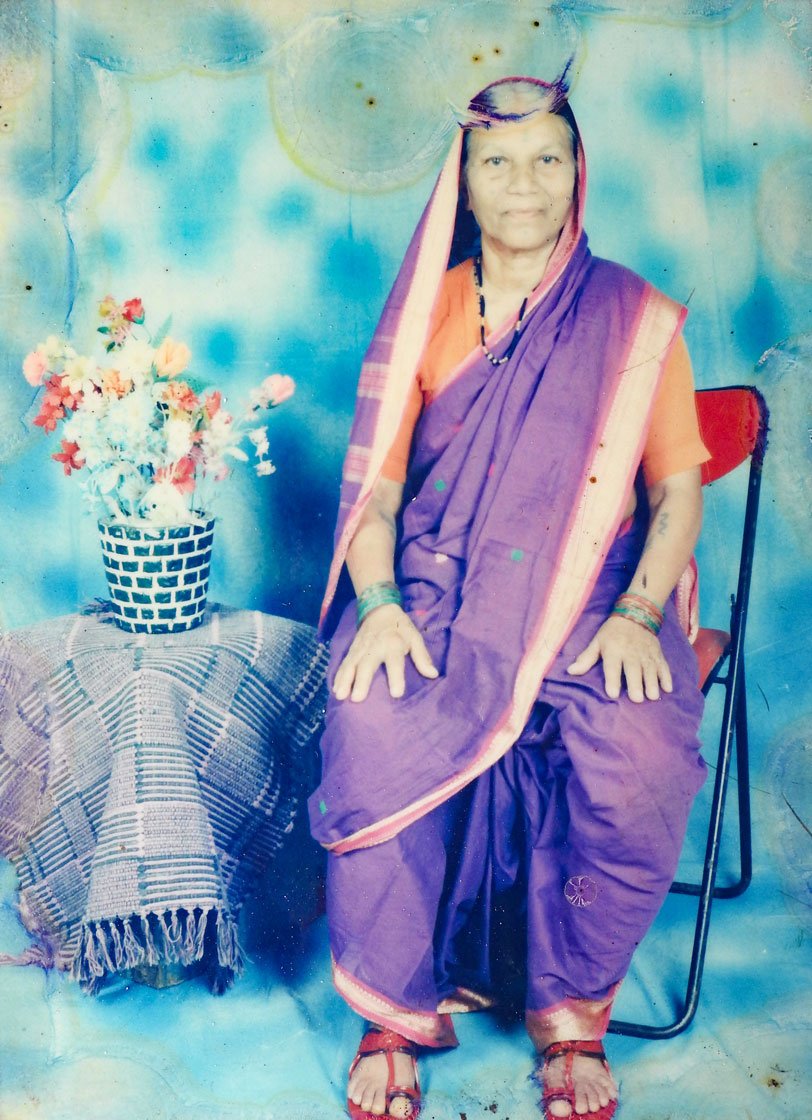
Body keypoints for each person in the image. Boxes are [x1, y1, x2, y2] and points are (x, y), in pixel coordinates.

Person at [309, 71, 710, 1120]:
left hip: (595, 593)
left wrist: (636, 614)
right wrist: (382, 599)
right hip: (435, 582)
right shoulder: (425, 316)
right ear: (464, 182)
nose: (522, 183)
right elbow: (380, 488)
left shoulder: (628, 314)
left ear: (577, 173)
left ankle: (570, 1013)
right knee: (372, 716)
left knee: (636, 745)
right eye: (497, 161)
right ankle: (391, 1013)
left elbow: (672, 491)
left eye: (546, 157)